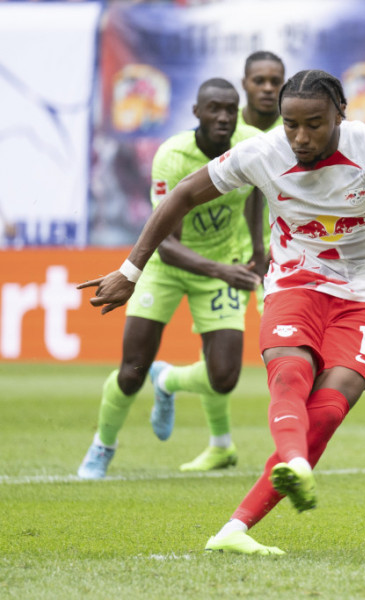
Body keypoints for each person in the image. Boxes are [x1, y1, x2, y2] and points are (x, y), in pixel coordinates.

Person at [78, 69, 365, 554]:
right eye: (290, 124)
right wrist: (130, 271)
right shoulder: (262, 152)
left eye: (314, 124)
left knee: (330, 408)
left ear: (341, 114)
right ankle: (296, 463)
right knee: (290, 375)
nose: (300, 137)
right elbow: (183, 194)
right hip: (293, 288)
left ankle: (233, 530)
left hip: (356, 301)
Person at [76, 78, 264, 479]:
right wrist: (223, 271)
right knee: (132, 371)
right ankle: (103, 445)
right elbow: (165, 245)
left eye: (230, 109)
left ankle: (167, 381)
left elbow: (257, 190)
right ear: (196, 112)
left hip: (223, 264)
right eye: (214, 108)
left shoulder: (250, 143)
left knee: (224, 377)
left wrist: (259, 250)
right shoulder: (172, 157)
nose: (224, 117)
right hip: (168, 268)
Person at [237, 50, 287, 313]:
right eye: (259, 81)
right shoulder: (223, 125)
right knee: (221, 332)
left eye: (275, 81)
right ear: (244, 83)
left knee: (280, 329)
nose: (268, 88)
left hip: (280, 251)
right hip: (226, 250)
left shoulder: (295, 130)